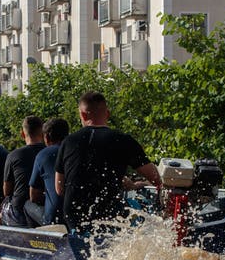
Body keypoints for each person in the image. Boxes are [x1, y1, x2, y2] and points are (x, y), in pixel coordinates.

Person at [55, 91, 162, 234]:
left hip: (74, 212)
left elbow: (59, 188)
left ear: (82, 115)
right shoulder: (123, 140)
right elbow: (155, 178)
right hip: (108, 211)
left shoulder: (68, 141)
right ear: (108, 114)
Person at [0, 116, 46, 227]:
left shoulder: (13, 155)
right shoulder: (50, 152)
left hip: (19, 209)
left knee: (4, 206)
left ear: (22, 134)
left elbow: (7, 191)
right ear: (43, 133)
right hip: (44, 205)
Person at [26, 117, 70, 227]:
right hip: (75, 215)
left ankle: (36, 239)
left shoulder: (43, 155)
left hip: (55, 218)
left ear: (46, 137)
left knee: (27, 205)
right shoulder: (75, 151)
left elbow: (33, 196)